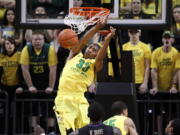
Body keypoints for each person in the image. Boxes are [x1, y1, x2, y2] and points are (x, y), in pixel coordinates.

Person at [54, 16, 116, 135]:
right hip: (63, 97)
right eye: (90, 47)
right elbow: (83, 40)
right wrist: (97, 27)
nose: (90, 50)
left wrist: (107, 40)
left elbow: (101, 57)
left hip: (79, 99)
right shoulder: (74, 55)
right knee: (67, 131)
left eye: (94, 50)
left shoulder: (94, 65)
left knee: (88, 130)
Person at [20, 30, 57, 134]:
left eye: (40, 39)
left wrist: (50, 86)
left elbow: (53, 69)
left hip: (47, 82)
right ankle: (33, 130)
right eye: (35, 39)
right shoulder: (26, 49)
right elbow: (25, 69)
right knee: (32, 109)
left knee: (50, 108)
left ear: (44, 40)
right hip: (33, 82)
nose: (37, 41)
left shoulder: (49, 49)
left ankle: (50, 131)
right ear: (31, 40)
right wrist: (30, 86)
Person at [122, 29, 151, 96]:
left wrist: (145, 83)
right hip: (128, 81)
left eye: (136, 32)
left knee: (140, 105)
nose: (133, 34)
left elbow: (147, 67)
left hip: (140, 81)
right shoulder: (124, 47)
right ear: (128, 33)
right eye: (131, 32)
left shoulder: (145, 47)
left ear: (139, 33)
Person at [150, 31, 179, 95]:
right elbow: (154, 70)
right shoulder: (155, 52)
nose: (167, 39)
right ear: (162, 40)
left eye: (169, 38)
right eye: (165, 37)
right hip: (158, 88)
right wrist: (155, 87)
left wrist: (174, 87)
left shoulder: (176, 53)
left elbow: (176, 71)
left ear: (173, 40)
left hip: (171, 89)